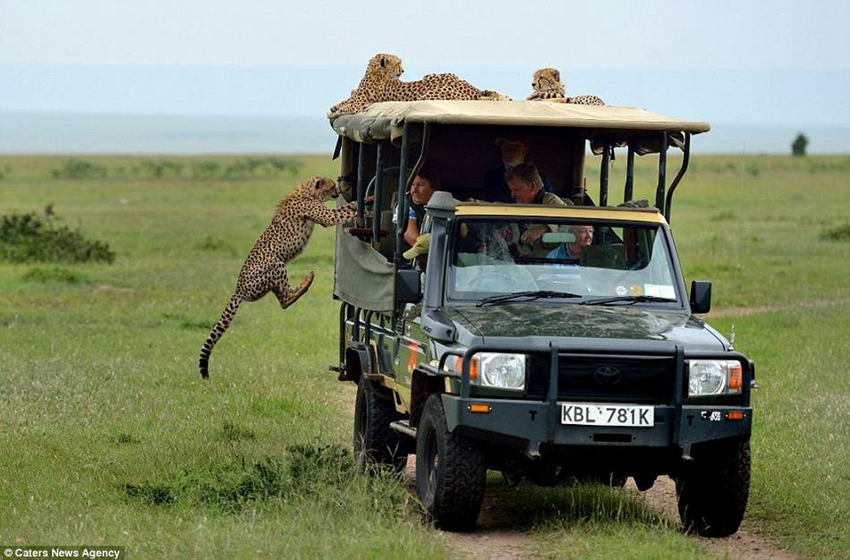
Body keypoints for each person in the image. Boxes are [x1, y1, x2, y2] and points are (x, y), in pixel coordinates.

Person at [504, 162, 570, 248]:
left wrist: (544, 229)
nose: (512, 195)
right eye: (511, 190)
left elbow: (569, 232)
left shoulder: (552, 202)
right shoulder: (519, 206)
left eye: (516, 190)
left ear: (532, 186)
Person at [483, 137, 554, 202]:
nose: (507, 153)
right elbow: (493, 202)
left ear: (525, 150)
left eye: (513, 148)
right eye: (503, 148)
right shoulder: (493, 177)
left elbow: (548, 203)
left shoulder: (542, 178)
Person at [393, 163, 440, 250]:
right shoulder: (405, 207)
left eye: (420, 185)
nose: (414, 190)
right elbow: (415, 241)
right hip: (411, 261)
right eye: (412, 185)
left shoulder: (444, 206)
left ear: (433, 188)